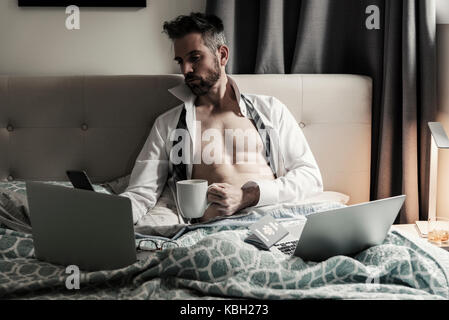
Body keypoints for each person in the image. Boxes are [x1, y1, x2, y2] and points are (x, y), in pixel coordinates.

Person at [120, 12, 323, 224]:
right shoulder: (168, 124)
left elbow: (310, 177)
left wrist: (248, 196)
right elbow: (141, 194)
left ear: (222, 55)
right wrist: (106, 220)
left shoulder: (271, 110)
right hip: (212, 231)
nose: (185, 70)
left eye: (195, 58)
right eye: (180, 61)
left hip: (273, 222)